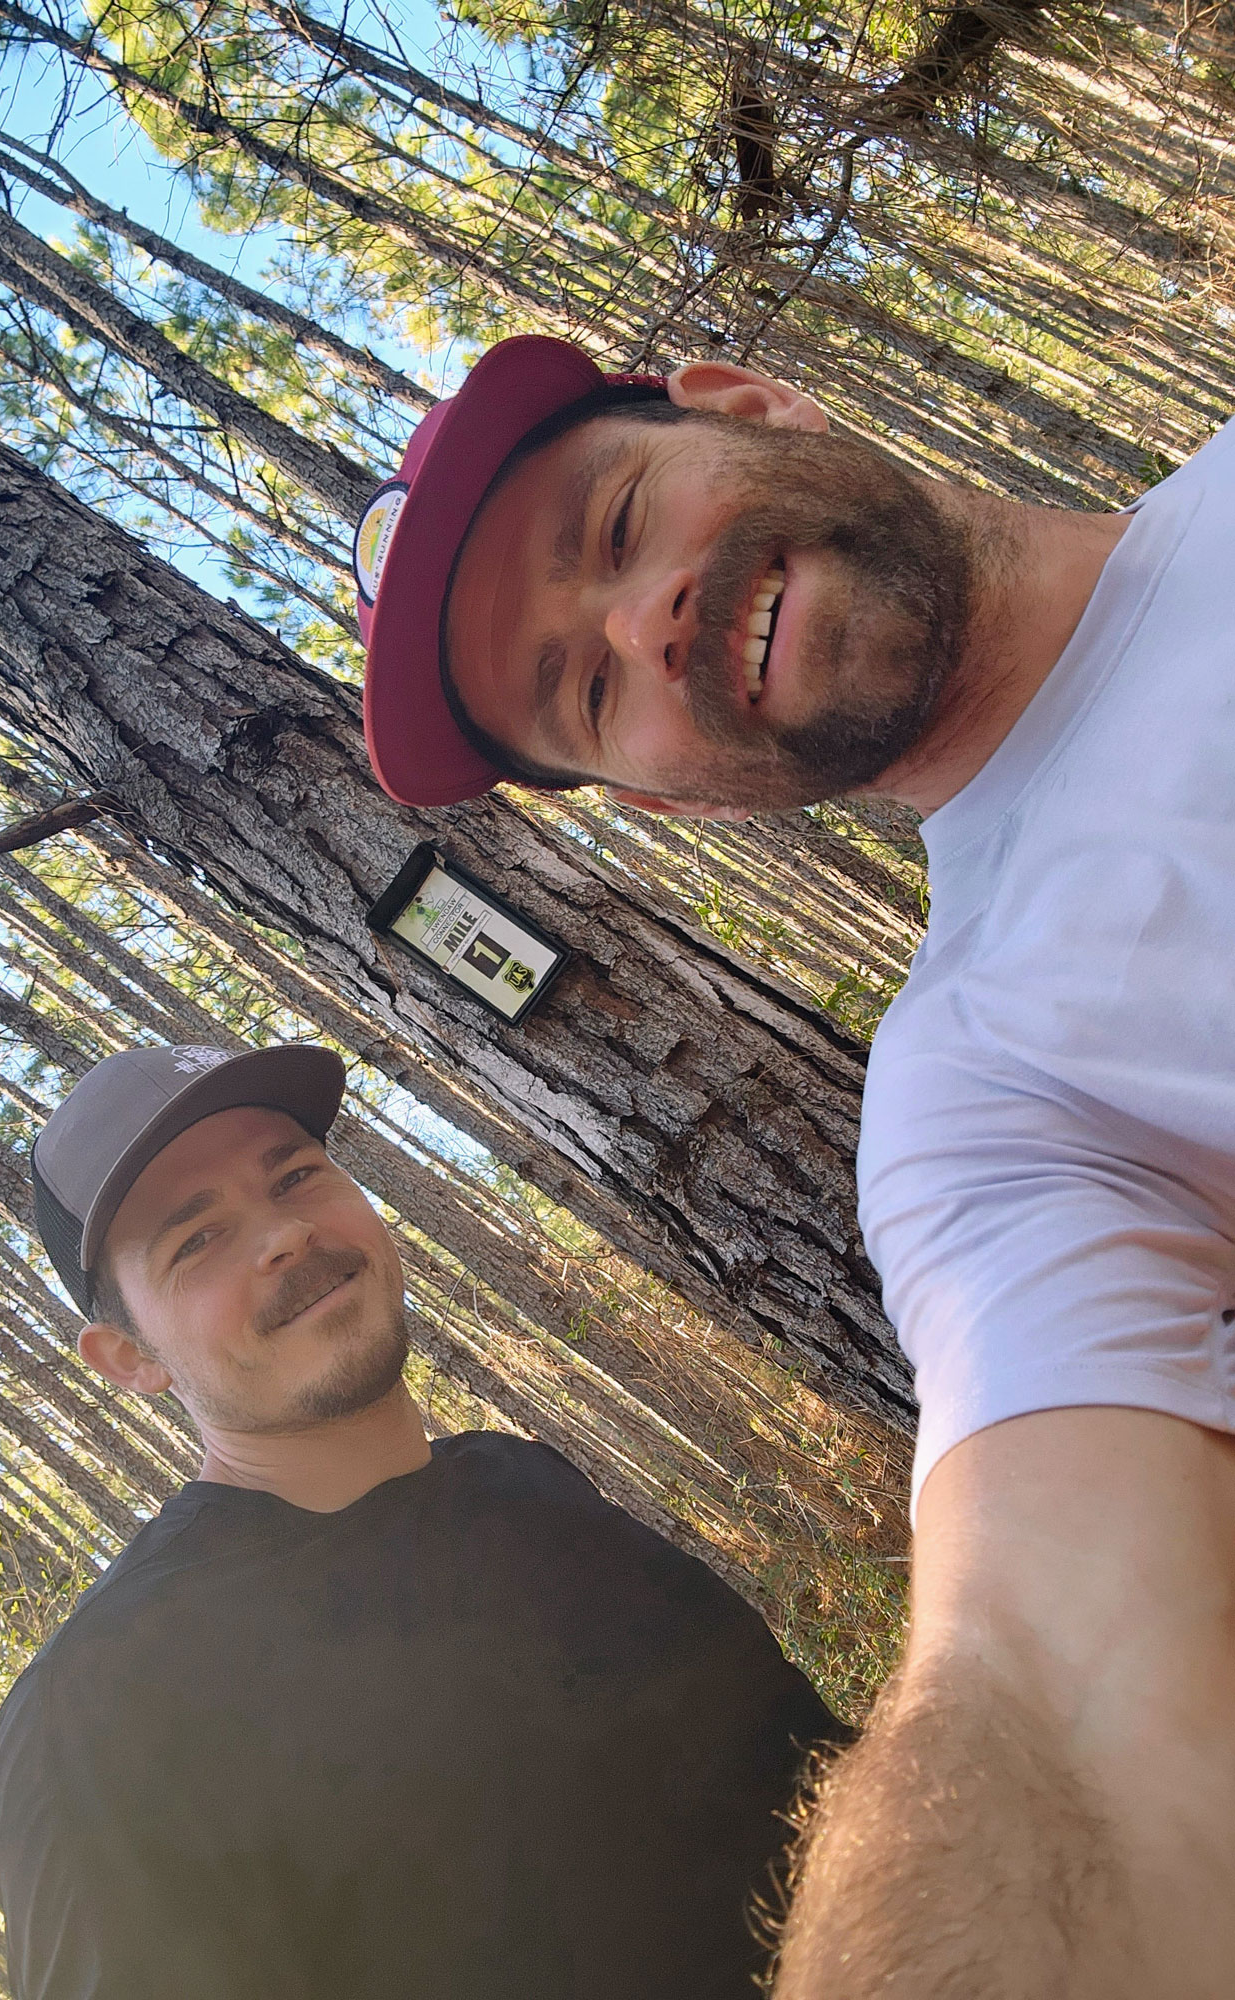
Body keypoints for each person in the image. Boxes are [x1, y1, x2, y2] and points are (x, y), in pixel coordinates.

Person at [353, 336, 1235, 1997]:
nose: (643, 624)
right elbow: (1054, 1696)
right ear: (664, 805)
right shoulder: (986, 1090)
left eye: (614, 524)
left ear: (751, 404)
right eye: (586, 691)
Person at [0, 1040, 846, 1999]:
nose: (284, 1235)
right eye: (197, 1240)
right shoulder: (101, 1714)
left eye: (296, 1176)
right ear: (130, 1359)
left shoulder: (521, 1482)